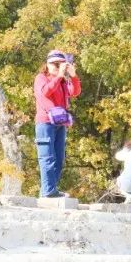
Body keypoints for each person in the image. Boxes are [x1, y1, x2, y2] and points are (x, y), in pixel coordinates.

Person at [33, 50, 81, 198]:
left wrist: (73, 76)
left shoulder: (62, 81)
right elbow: (45, 92)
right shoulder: (41, 78)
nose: (58, 67)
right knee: (47, 157)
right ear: (47, 64)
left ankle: (49, 189)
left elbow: (75, 92)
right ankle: (48, 191)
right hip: (45, 123)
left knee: (59, 159)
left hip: (60, 123)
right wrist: (59, 75)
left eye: (61, 64)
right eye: (55, 64)